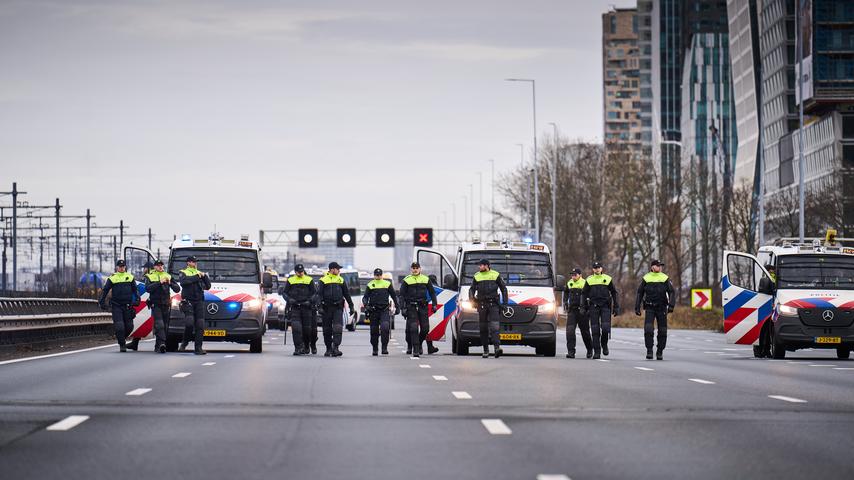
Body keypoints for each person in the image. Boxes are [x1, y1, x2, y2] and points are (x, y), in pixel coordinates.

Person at [634, 259, 676, 360]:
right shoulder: (646, 278)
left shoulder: (665, 278)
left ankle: (660, 351)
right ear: (652, 267)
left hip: (662, 308)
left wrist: (671, 305)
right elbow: (640, 292)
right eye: (658, 266)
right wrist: (637, 307)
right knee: (648, 330)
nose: (660, 267)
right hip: (650, 307)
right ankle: (649, 350)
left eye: (660, 266)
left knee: (662, 331)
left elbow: (672, 292)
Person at [469, 259, 509, 359]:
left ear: (486, 266)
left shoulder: (495, 274)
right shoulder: (477, 276)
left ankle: (497, 348)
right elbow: (472, 289)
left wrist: (505, 303)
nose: (479, 267)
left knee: (495, 327)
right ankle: (485, 350)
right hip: (482, 305)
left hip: (493, 304)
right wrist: (472, 300)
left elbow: (504, 289)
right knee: (483, 328)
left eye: (481, 265)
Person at [98, 259, 140, 352]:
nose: (121, 268)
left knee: (129, 327)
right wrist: (101, 302)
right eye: (120, 266)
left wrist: (138, 299)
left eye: (123, 266)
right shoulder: (112, 278)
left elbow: (135, 290)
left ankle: (121, 338)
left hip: (128, 306)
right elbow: (105, 291)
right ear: (117, 267)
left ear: (125, 267)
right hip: (116, 306)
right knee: (120, 326)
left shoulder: (130, 277)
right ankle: (122, 344)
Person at [399, 262, 438, 358]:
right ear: (411, 269)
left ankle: (419, 343)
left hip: (423, 306)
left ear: (420, 269)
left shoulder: (425, 279)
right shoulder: (407, 280)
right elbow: (402, 295)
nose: (415, 269)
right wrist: (402, 308)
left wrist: (434, 304)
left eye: (417, 268)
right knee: (413, 328)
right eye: (413, 268)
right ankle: (416, 349)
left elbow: (432, 293)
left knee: (425, 329)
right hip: (411, 307)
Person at [316, 262, 355, 357]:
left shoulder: (341, 280)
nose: (339, 270)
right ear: (332, 269)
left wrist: (351, 306)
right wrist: (319, 307)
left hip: (338, 308)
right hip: (326, 308)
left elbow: (346, 294)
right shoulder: (323, 280)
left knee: (338, 328)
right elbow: (319, 295)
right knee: (327, 330)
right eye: (338, 269)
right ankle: (328, 349)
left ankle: (336, 347)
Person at [583, 262, 620, 359]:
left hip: (605, 306)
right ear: (593, 269)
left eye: (598, 267)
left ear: (601, 268)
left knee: (605, 328)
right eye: (595, 268)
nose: (597, 269)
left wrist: (616, 306)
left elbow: (614, 292)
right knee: (595, 331)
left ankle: (604, 344)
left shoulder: (607, 279)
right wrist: (583, 307)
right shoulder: (589, 280)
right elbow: (584, 294)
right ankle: (597, 352)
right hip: (593, 307)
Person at [144, 259, 180, 353]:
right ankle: (163, 343)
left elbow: (177, 289)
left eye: (162, 265)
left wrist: (170, 283)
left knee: (165, 326)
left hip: (166, 305)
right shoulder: (150, 276)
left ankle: (158, 346)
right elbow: (148, 289)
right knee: (159, 325)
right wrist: (159, 282)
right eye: (158, 265)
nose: (160, 267)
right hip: (155, 304)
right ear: (155, 267)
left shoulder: (168, 276)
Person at [178, 255, 212, 355]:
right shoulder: (183, 272)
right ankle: (185, 342)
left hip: (199, 302)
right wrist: (197, 277)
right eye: (193, 262)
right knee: (189, 323)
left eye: (195, 262)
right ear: (188, 263)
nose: (195, 263)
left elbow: (208, 286)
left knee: (200, 325)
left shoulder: (200, 273)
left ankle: (198, 348)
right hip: (188, 301)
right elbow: (184, 282)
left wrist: (204, 276)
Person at [362, 268, 400, 356]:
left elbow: (394, 296)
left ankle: (384, 348)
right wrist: (366, 305)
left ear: (381, 275)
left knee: (385, 328)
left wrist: (398, 307)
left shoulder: (387, 284)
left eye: (379, 275)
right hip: (374, 311)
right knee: (374, 331)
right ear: (374, 275)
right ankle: (375, 348)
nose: (378, 276)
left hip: (384, 310)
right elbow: (365, 297)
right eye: (376, 275)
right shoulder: (370, 285)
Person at [281, 264, 316, 355]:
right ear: (295, 272)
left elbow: (314, 293)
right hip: (295, 307)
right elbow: (284, 293)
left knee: (307, 330)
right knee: (296, 329)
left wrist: (310, 301)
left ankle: (306, 346)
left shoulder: (309, 280)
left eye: (302, 271)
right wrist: (289, 299)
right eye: (299, 272)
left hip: (306, 308)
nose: (301, 273)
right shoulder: (290, 280)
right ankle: (298, 348)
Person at [563, 267, 593, 359]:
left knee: (585, 332)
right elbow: (566, 294)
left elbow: (590, 296)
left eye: (575, 274)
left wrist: (588, 309)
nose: (573, 276)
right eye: (572, 274)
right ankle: (571, 352)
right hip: (572, 311)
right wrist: (565, 303)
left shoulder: (585, 283)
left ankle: (589, 349)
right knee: (570, 331)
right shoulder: (569, 283)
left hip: (582, 311)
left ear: (580, 275)